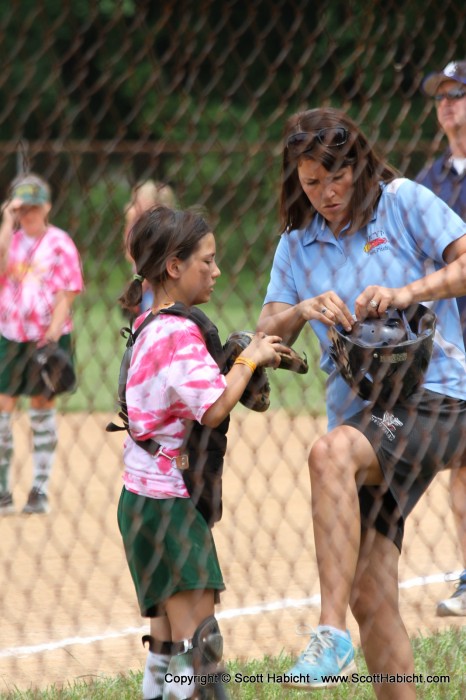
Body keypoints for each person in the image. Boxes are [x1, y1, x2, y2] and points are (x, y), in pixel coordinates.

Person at [256, 107, 466, 699]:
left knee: (329, 455)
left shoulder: (402, 201)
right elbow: (269, 328)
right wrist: (303, 309)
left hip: (442, 398)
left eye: (336, 177)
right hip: (371, 421)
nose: (325, 193)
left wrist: (404, 292)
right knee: (371, 591)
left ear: (360, 164)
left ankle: (329, 634)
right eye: (310, 182)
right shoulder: (297, 245)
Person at [117, 205, 285, 700]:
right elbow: (212, 407)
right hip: (171, 503)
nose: (216, 271)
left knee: (167, 646)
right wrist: (251, 358)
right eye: (206, 262)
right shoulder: (178, 332)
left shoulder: (151, 322)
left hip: (142, 499)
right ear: (174, 266)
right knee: (201, 651)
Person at [0, 173, 84, 515]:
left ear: (47, 207)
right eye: (22, 208)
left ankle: (39, 488)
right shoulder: (11, 240)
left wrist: (50, 336)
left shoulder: (61, 243)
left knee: (40, 408)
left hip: (47, 336)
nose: (28, 214)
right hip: (10, 335)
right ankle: (3, 490)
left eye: (34, 207)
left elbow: (68, 291)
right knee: (3, 410)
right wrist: (6, 221)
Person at [416, 59, 466, 616]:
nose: (448, 104)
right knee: (463, 460)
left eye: (458, 93)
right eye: (440, 97)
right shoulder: (429, 182)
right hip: (452, 341)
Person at [123, 180, 177, 314]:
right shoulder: (143, 229)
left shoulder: (159, 229)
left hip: (156, 288)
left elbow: (131, 254)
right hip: (148, 286)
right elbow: (130, 254)